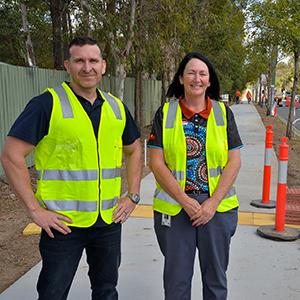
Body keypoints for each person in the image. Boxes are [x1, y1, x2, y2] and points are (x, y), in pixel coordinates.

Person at [0, 36, 142, 300]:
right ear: (67, 65)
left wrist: (133, 194)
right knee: (53, 293)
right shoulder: (46, 104)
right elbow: (11, 155)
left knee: (106, 290)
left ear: (104, 66)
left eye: (93, 60)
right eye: (79, 60)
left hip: (108, 221)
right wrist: (34, 210)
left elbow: (134, 148)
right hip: (63, 225)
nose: (86, 67)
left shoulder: (116, 107)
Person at [148, 52, 243, 300]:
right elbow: (156, 163)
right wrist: (183, 200)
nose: (197, 78)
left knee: (215, 280)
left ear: (209, 81)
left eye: (203, 73)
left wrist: (212, 203)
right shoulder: (165, 113)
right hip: (176, 208)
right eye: (191, 72)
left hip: (217, 209)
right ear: (181, 78)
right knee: (176, 283)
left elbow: (234, 161)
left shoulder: (223, 113)